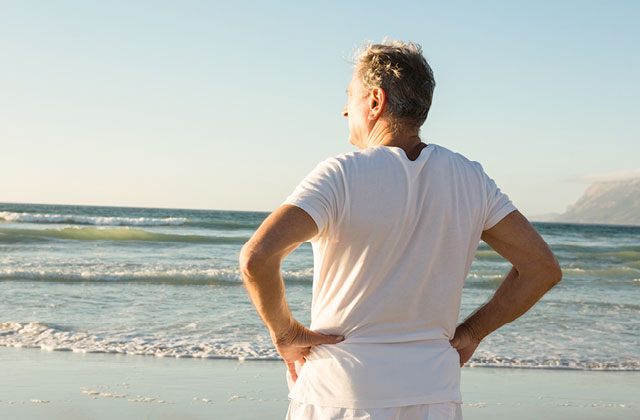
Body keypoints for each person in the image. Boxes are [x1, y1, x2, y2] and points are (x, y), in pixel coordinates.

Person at [239, 40, 562, 420]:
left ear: (375, 101)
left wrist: (287, 334)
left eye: (350, 97)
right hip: (434, 393)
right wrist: (473, 332)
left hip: (340, 393)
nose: (344, 109)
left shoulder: (340, 174)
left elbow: (257, 257)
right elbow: (542, 268)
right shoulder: (471, 179)